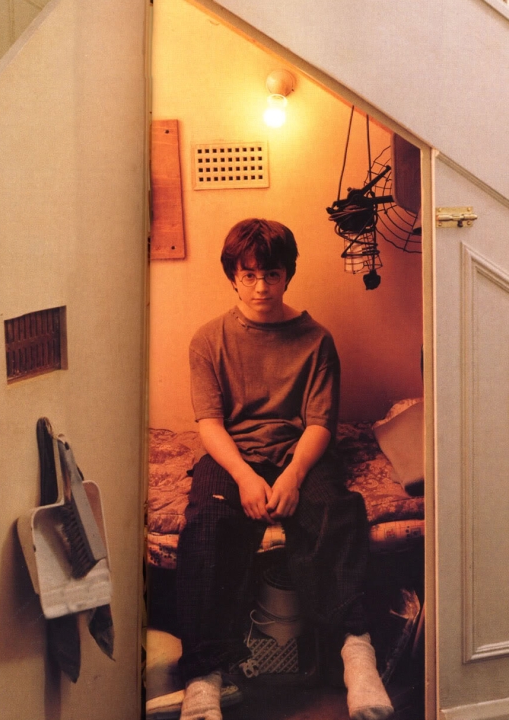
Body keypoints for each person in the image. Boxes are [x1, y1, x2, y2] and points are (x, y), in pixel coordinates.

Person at [175, 219, 391, 720]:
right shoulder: (208, 340)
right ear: (233, 277)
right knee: (208, 523)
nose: (260, 287)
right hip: (233, 454)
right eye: (248, 275)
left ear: (288, 275)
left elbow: (320, 423)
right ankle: (204, 677)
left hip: (301, 451)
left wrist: (292, 475)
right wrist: (245, 477)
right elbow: (209, 424)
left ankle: (357, 655)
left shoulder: (317, 340)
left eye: (271, 274)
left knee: (336, 511)